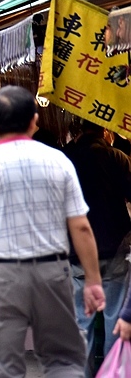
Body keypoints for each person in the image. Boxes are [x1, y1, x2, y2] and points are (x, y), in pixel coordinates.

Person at [0, 85, 106, 378]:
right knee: (64, 360)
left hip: (2, 276)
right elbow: (81, 226)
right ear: (34, 121)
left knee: (3, 366)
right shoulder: (59, 161)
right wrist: (93, 280)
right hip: (53, 272)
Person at [63, 119, 131, 375]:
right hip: (115, 245)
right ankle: (114, 373)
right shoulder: (118, 157)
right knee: (116, 317)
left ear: (79, 130)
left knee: (82, 319)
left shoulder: (65, 158)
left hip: (77, 249)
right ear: (106, 130)